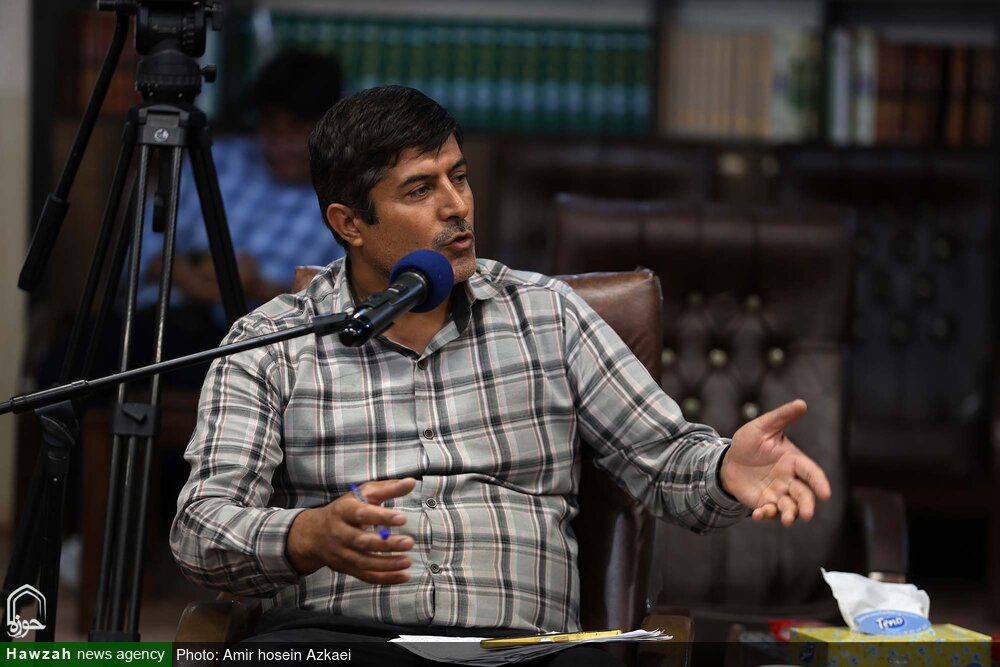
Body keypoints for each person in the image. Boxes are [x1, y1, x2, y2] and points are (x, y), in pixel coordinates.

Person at [170, 86, 831, 666]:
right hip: (337, 639)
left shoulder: (547, 316)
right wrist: (306, 536)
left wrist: (725, 469)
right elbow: (200, 530)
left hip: (521, 649)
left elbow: (667, 462)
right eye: (420, 190)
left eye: (459, 177)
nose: (457, 205)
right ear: (350, 224)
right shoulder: (273, 344)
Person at [134, 49, 346, 382]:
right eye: (271, 126)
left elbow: (341, 311)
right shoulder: (216, 159)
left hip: (261, 350)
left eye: (296, 129)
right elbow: (138, 251)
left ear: (329, 130)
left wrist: (256, 286)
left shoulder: (348, 201)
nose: (279, 144)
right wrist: (180, 272)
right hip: (161, 320)